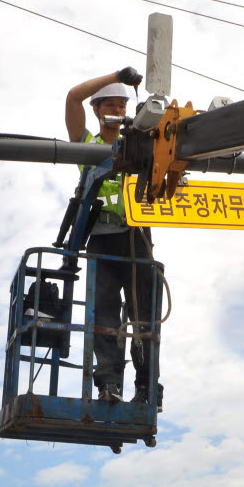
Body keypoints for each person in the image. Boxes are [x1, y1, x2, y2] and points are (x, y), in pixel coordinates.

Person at [65, 67, 163, 407]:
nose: (118, 111)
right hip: (102, 238)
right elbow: (73, 97)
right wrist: (116, 74)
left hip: (138, 237)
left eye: (122, 105)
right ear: (97, 109)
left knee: (144, 317)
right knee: (104, 315)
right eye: (110, 104)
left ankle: (149, 387)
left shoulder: (140, 143)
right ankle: (108, 384)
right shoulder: (86, 144)